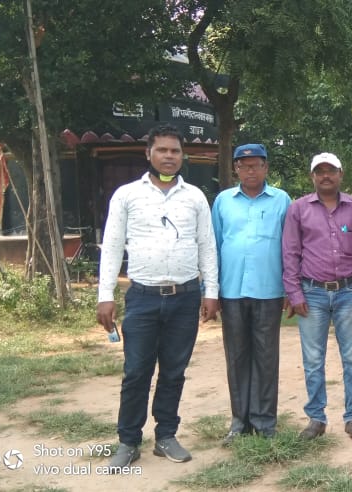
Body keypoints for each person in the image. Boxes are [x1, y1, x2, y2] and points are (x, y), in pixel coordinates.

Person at [97, 124, 219, 469]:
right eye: (162, 150)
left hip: (185, 297)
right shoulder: (126, 195)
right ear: (148, 153)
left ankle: (166, 436)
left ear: (182, 156)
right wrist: (105, 294)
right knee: (137, 371)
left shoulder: (195, 197)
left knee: (174, 372)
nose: (169, 156)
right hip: (142, 297)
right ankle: (128, 441)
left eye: (175, 151)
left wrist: (211, 292)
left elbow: (207, 246)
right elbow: (112, 246)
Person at [283, 152, 352, 441]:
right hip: (312, 293)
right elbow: (290, 252)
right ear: (312, 176)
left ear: (340, 174)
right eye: (319, 171)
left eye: (331, 170)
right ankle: (316, 418)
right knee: (312, 360)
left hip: (349, 291)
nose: (325, 176)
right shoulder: (298, 209)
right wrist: (294, 293)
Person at [211, 143, 291, 446]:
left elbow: (290, 247)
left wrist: (290, 288)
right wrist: (211, 290)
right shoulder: (223, 201)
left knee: (266, 357)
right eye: (244, 165)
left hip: (269, 291)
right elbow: (214, 245)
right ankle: (240, 422)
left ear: (266, 168)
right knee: (236, 357)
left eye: (256, 165)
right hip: (231, 290)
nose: (250, 170)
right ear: (236, 169)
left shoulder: (282, 200)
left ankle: (265, 422)